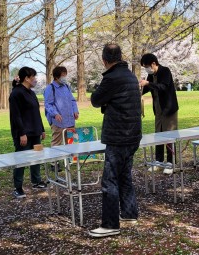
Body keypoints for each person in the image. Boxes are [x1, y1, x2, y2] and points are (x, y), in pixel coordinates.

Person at [89, 44, 142, 238]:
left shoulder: (111, 78)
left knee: (110, 180)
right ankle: (129, 213)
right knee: (124, 176)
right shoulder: (130, 75)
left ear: (104, 60)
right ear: (120, 57)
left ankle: (110, 224)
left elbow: (95, 100)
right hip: (133, 135)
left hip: (118, 136)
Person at [9, 67, 46, 199]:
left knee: (36, 158)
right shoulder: (16, 93)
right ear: (26, 78)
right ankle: (18, 187)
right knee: (21, 159)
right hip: (23, 133)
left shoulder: (31, 93)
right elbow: (16, 116)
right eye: (33, 77)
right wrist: (22, 133)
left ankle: (36, 181)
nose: (35, 79)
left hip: (35, 131)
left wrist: (42, 129)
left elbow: (36, 112)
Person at [139, 53, 179, 175]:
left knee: (169, 135)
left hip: (169, 109)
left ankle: (171, 163)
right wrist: (139, 88)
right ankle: (158, 161)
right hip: (158, 110)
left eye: (146, 66)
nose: (146, 69)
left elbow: (163, 87)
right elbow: (147, 88)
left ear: (153, 64)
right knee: (158, 135)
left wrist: (148, 83)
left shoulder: (165, 71)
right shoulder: (151, 75)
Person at [44, 66, 79, 147]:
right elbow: (48, 104)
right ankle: (56, 156)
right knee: (56, 144)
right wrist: (55, 114)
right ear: (56, 77)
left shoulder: (66, 86)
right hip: (58, 122)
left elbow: (72, 100)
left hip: (70, 121)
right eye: (63, 75)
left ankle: (70, 156)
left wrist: (75, 111)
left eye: (65, 75)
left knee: (71, 143)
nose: (65, 77)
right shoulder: (50, 88)